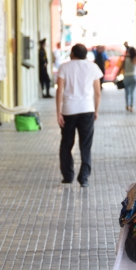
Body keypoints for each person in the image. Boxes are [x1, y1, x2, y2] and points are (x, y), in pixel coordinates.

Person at [56, 43, 103, 187]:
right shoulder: (93, 67)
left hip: (68, 110)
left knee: (66, 144)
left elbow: (59, 90)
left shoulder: (64, 67)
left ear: (72, 53)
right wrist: (96, 110)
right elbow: (97, 93)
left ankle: (68, 176)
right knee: (85, 145)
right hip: (87, 109)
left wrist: (58, 112)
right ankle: (84, 178)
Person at [122, 46, 136, 112]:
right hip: (134, 76)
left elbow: (122, 67)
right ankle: (132, 106)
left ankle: (127, 105)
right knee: (133, 92)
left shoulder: (125, 59)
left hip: (126, 77)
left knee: (127, 92)